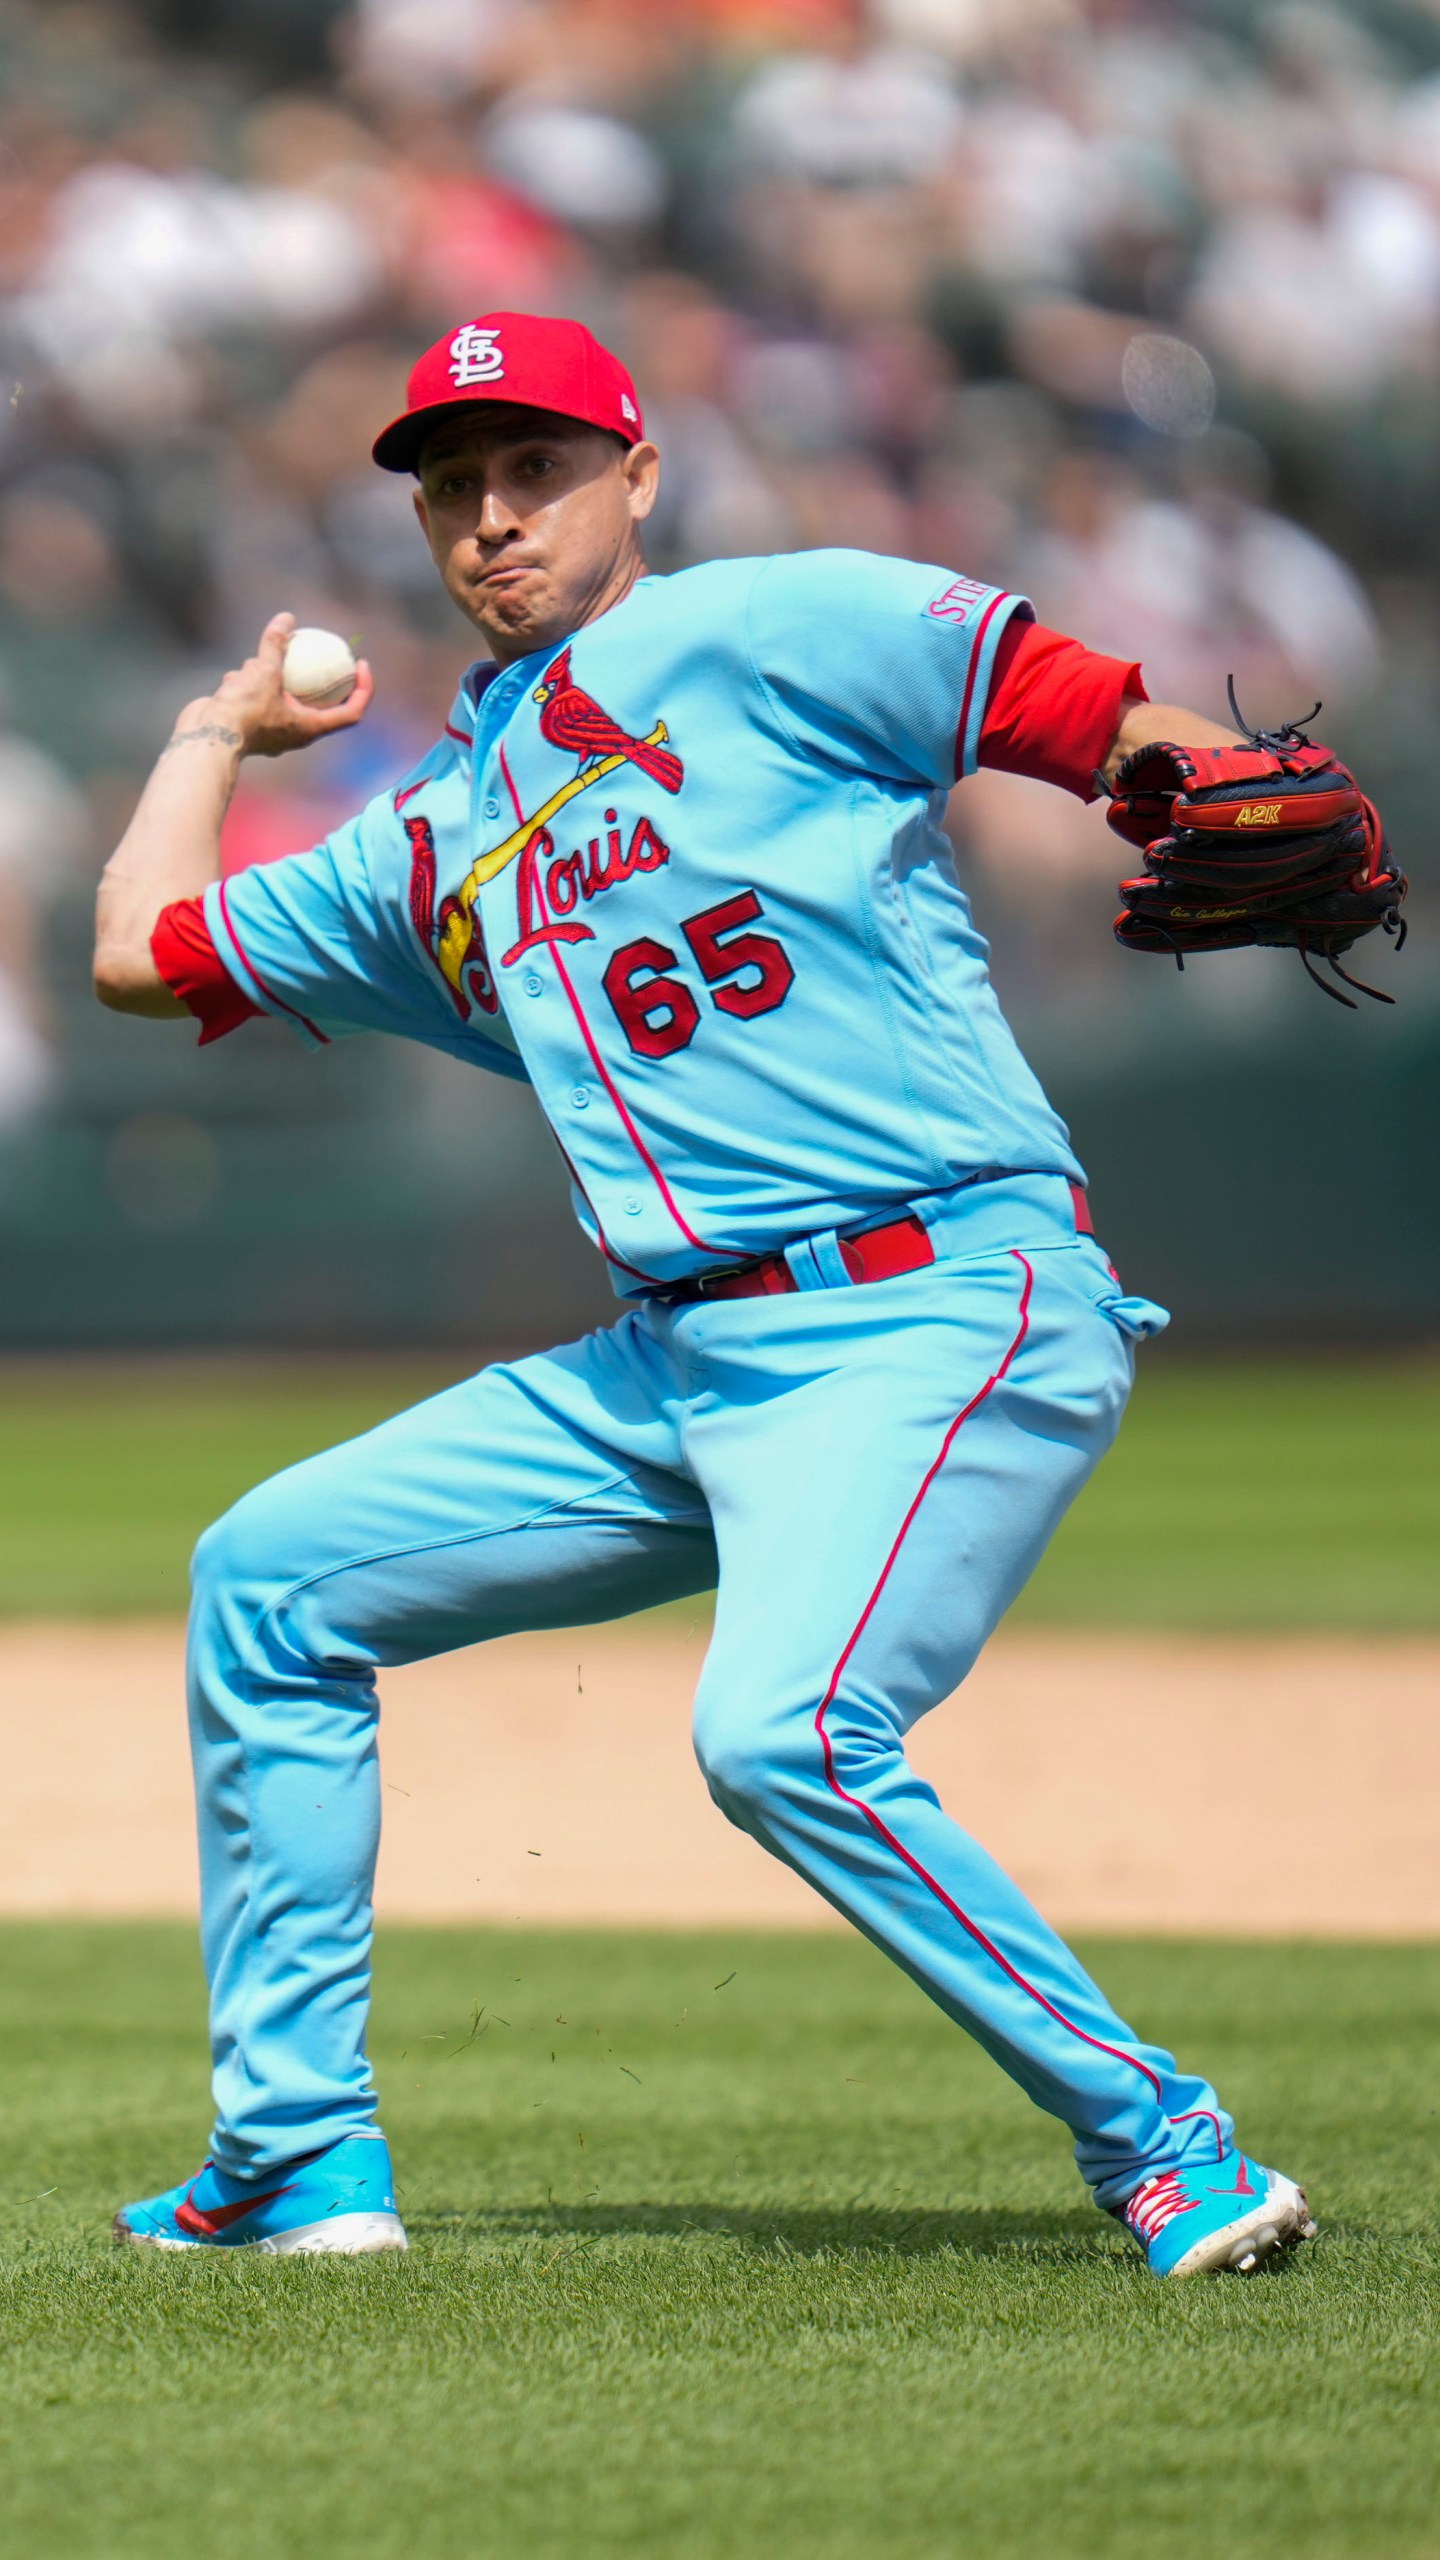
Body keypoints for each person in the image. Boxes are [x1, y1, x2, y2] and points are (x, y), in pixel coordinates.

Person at [94, 310, 1317, 2276]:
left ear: (635, 474)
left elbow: (1083, 708)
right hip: (683, 1356)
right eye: (451, 483)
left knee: (785, 1729)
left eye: (535, 469)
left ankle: (1168, 2140)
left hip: (937, 1290)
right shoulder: (430, 831)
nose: (491, 517)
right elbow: (146, 954)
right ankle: (295, 2157)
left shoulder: (770, 628)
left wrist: (1196, 774)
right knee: (269, 1577)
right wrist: (208, 739)